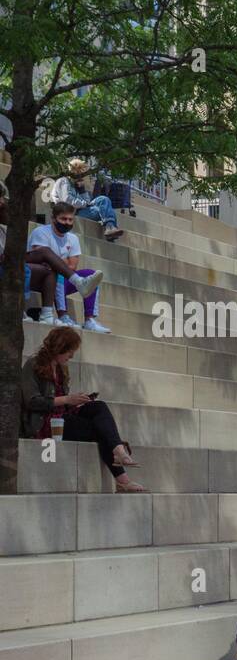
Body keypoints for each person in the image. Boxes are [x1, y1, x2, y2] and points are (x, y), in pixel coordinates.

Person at [20, 327, 145, 492]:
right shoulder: (34, 364)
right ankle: (122, 477)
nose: (71, 356)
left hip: (62, 415)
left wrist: (75, 401)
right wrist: (67, 399)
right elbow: (32, 402)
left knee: (98, 406)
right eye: (70, 351)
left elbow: (61, 402)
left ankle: (118, 451)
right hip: (44, 423)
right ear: (59, 347)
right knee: (99, 430)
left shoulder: (61, 367)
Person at [26, 202, 110, 332]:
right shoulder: (41, 232)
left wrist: (55, 260)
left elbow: (73, 266)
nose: (67, 222)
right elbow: (41, 259)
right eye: (63, 219)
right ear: (54, 218)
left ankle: (89, 320)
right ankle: (63, 316)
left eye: (70, 219)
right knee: (56, 270)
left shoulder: (73, 238)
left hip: (65, 279)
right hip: (40, 278)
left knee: (91, 274)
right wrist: (60, 262)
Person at [48, 160, 125, 242]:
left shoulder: (76, 185)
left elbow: (87, 201)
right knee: (102, 210)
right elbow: (67, 200)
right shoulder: (63, 181)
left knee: (104, 199)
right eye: (79, 172)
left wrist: (82, 190)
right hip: (70, 212)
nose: (81, 175)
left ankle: (110, 227)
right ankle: (110, 228)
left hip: (80, 210)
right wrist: (85, 204)